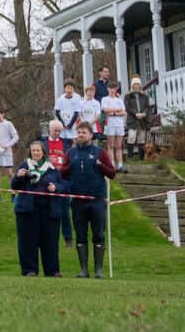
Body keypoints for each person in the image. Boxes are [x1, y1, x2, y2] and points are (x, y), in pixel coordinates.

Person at [66, 127, 117, 278]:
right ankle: (83, 269)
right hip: (78, 200)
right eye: (79, 132)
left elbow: (112, 173)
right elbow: (63, 172)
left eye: (84, 133)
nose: (81, 135)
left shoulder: (99, 152)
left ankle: (99, 270)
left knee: (98, 234)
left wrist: (100, 165)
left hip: (97, 200)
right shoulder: (71, 153)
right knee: (81, 235)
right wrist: (69, 167)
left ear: (91, 135)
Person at [10, 137, 64, 277]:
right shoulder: (24, 166)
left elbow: (63, 186)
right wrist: (18, 177)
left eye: (38, 150)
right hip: (27, 210)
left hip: (49, 210)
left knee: (50, 242)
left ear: (43, 152)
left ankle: (52, 271)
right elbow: (14, 186)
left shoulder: (52, 169)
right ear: (30, 152)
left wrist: (56, 187)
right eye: (33, 150)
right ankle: (30, 270)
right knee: (27, 241)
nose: (36, 153)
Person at [97, 85, 127, 169]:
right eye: (110, 88)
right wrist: (117, 110)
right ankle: (112, 164)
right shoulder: (105, 99)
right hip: (110, 124)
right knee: (110, 145)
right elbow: (105, 110)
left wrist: (113, 112)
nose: (112, 90)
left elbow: (124, 112)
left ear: (116, 89)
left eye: (114, 88)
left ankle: (120, 164)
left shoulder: (119, 100)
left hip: (119, 124)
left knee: (119, 146)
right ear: (108, 89)